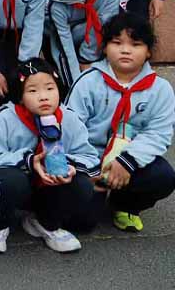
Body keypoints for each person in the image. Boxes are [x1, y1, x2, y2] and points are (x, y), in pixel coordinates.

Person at [0, 59, 100, 253]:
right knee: (11, 181)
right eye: (32, 91)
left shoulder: (69, 117)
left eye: (50, 88)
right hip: (17, 183)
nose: (43, 97)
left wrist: (70, 165)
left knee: (82, 185)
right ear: (20, 95)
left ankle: (45, 222)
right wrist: (29, 160)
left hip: (50, 185)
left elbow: (90, 157)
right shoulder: (4, 117)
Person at [66, 12, 175, 233]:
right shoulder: (88, 81)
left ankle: (124, 204)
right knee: (82, 224)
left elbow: (158, 133)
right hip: (90, 161)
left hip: (130, 159)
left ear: (148, 51)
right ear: (105, 48)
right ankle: (91, 196)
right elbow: (70, 129)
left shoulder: (161, 89)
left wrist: (127, 161)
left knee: (163, 177)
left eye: (135, 44)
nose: (125, 50)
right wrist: (91, 169)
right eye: (117, 43)